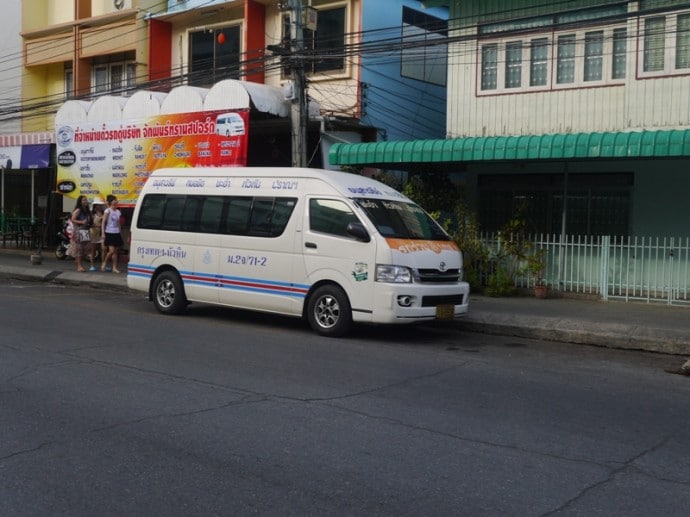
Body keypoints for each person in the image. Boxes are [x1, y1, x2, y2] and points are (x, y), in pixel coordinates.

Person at [70, 195, 93, 272]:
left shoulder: (86, 210)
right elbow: (72, 219)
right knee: (79, 248)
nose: (85, 201)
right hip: (80, 231)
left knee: (84, 248)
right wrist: (81, 222)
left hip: (85, 230)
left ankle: (78, 262)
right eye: (83, 200)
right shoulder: (78, 210)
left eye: (86, 200)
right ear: (80, 202)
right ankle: (79, 266)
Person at [101, 194, 123, 273]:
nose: (116, 201)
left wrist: (120, 231)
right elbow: (103, 222)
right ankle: (104, 262)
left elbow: (118, 223)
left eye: (116, 200)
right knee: (111, 251)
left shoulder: (118, 212)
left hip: (116, 232)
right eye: (114, 200)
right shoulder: (108, 210)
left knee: (115, 252)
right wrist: (103, 233)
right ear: (111, 202)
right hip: (109, 232)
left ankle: (114, 267)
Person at [88, 198, 106, 271]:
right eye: (99, 205)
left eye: (101, 205)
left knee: (104, 249)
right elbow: (89, 223)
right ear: (95, 205)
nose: (100, 206)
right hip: (94, 233)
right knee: (93, 250)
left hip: (102, 233)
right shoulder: (92, 214)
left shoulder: (104, 212)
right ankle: (92, 265)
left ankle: (103, 264)